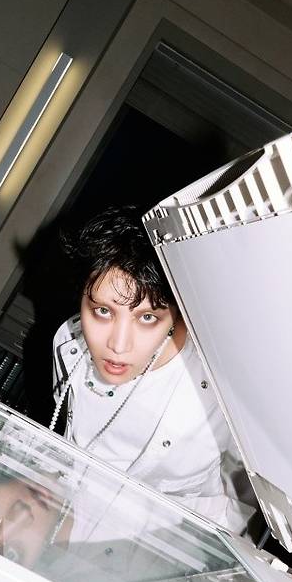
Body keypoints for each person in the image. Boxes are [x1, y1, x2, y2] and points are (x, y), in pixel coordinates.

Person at [50, 207, 255, 534]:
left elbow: (244, 504)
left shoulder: (223, 389)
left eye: (147, 318)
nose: (118, 345)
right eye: (102, 311)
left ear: (177, 312)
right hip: (70, 522)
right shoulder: (68, 342)